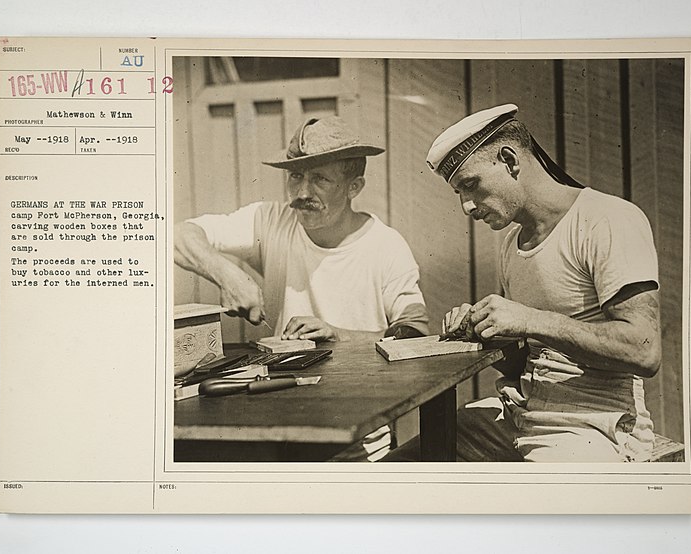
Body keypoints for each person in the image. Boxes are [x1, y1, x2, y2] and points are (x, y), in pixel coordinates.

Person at [387, 103, 662, 463]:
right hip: (520, 412)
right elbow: (526, 363)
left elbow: (644, 351)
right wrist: (484, 332)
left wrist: (530, 319)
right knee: (401, 468)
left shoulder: (607, 219)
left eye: (470, 185)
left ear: (510, 159)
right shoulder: (511, 244)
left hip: (593, 426)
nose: (467, 207)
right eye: (458, 193)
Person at [174, 116, 429, 460]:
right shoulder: (271, 220)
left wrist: (337, 335)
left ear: (355, 187)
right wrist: (227, 275)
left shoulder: (386, 246)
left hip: (357, 436)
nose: (302, 193)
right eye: (295, 176)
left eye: (320, 179)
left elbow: (415, 337)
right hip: (277, 421)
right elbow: (178, 236)